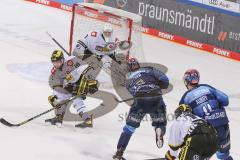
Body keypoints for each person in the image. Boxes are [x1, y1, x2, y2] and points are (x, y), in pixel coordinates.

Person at [113, 58, 169, 160]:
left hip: (140, 101)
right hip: (156, 97)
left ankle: (119, 152)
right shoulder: (149, 69)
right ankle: (159, 129)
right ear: (138, 65)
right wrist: (160, 85)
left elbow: (133, 93)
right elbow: (165, 80)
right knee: (160, 123)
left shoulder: (128, 79)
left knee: (129, 128)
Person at [179, 69, 233, 160]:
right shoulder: (206, 87)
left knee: (201, 156)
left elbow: (182, 120)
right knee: (224, 155)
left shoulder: (185, 98)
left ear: (186, 81)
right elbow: (225, 100)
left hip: (207, 132)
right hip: (223, 126)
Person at [45, 50, 98, 128]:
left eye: (58, 61)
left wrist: (92, 82)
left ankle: (87, 120)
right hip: (70, 85)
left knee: (76, 99)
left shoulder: (72, 60)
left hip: (81, 81)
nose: (56, 64)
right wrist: (55, 99)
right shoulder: (55, 71)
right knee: (60, 97)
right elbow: (58, 86)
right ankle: (59, 117)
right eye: (54, 62)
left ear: (62, 59)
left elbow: (87, 68)